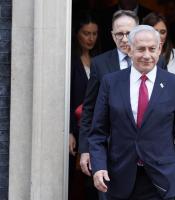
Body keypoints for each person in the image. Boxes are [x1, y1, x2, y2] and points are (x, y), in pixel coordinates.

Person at [88, 25, 175, 200]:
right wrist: (99, 166)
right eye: (141, 49)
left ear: (159, 50)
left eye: (152, 49)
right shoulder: (110, 82)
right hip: (119, 178)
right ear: (130, 50)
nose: (147, 55)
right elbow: (98, 132)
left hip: (160, 179)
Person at [78, 10, 166, 198]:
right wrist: (86, 149)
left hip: (150, 156)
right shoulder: (100, 64)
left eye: (129, 33)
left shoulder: (156, 60)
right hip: (111, 153)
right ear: (112, 35)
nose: (124, 38)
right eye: (119, 34)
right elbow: (90, 110)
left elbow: (167, 106)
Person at [142, 12, 175, 163]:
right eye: (154, 31)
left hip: (172, 127)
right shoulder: (138, 58)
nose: (159, 36)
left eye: (162, 32)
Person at [69, 11, 99, 200]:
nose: (90, 38)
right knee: (76, 180)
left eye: (94, 34)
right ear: (76, 34)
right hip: (77, 127)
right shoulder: (69, 61)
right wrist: (69, 131)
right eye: (86, 33)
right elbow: (67, 98)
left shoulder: (101, 60)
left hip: (96, 127)